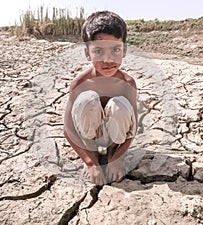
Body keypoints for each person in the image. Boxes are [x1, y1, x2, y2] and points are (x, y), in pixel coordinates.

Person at [64, 11, 138, 185]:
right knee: (88, 100)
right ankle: (94, 153)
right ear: (87, 53)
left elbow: (132, 129)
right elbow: (68, 129)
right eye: (98, 50)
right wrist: (90, 163)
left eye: (115, 50)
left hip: (115, 139)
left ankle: (112, 152)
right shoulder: (80, 83)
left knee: (119, 105)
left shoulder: (127, 84)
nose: (107, 59)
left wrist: (118, 158)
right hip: (88, 138)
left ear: (124, 50)